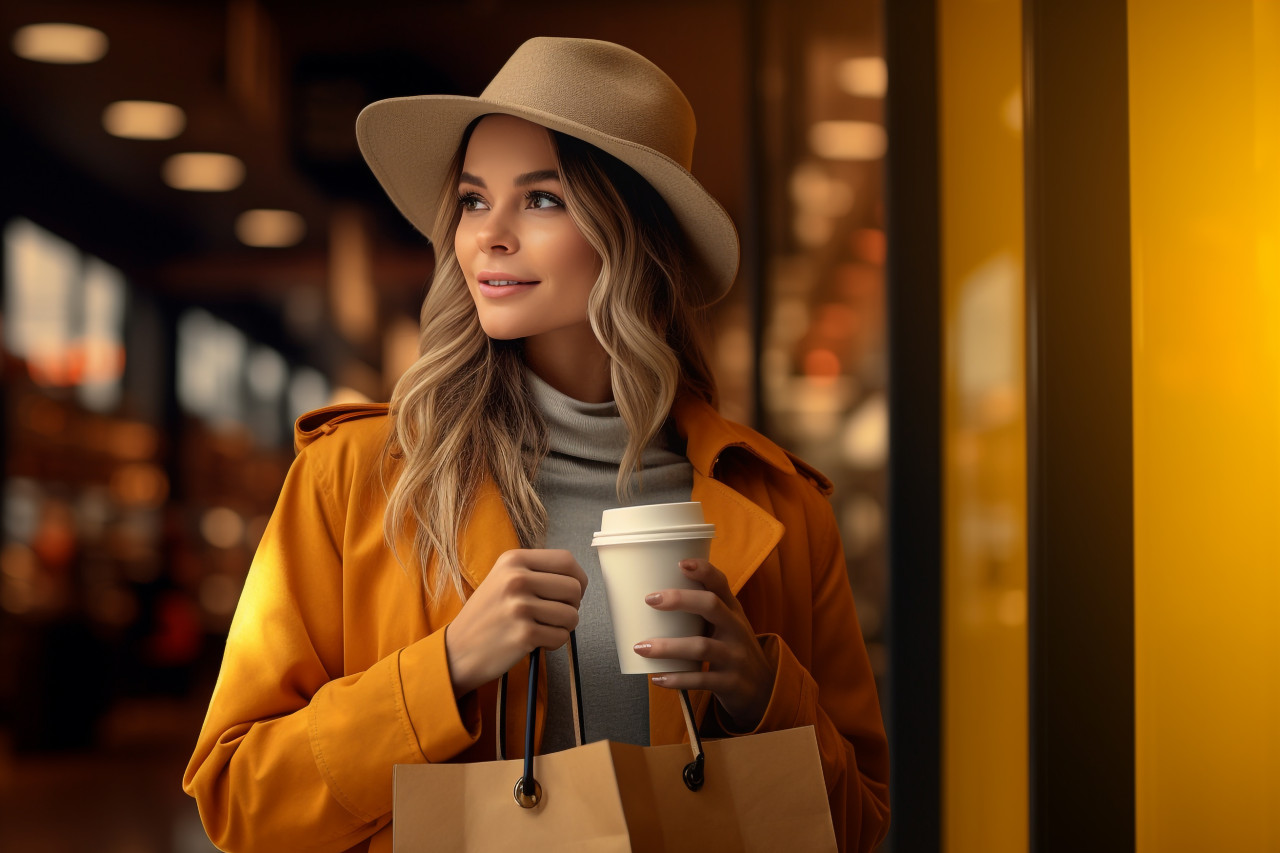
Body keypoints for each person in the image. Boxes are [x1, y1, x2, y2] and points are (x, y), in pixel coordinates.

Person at [183, 37, 889, 853]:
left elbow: (860, 824)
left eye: (543, 199)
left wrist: (761, 693)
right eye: (476, 200)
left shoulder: (780, 505)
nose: (491, 235)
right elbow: (237, 798)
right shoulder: (355, 478)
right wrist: (441, 669)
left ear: (630, 231)